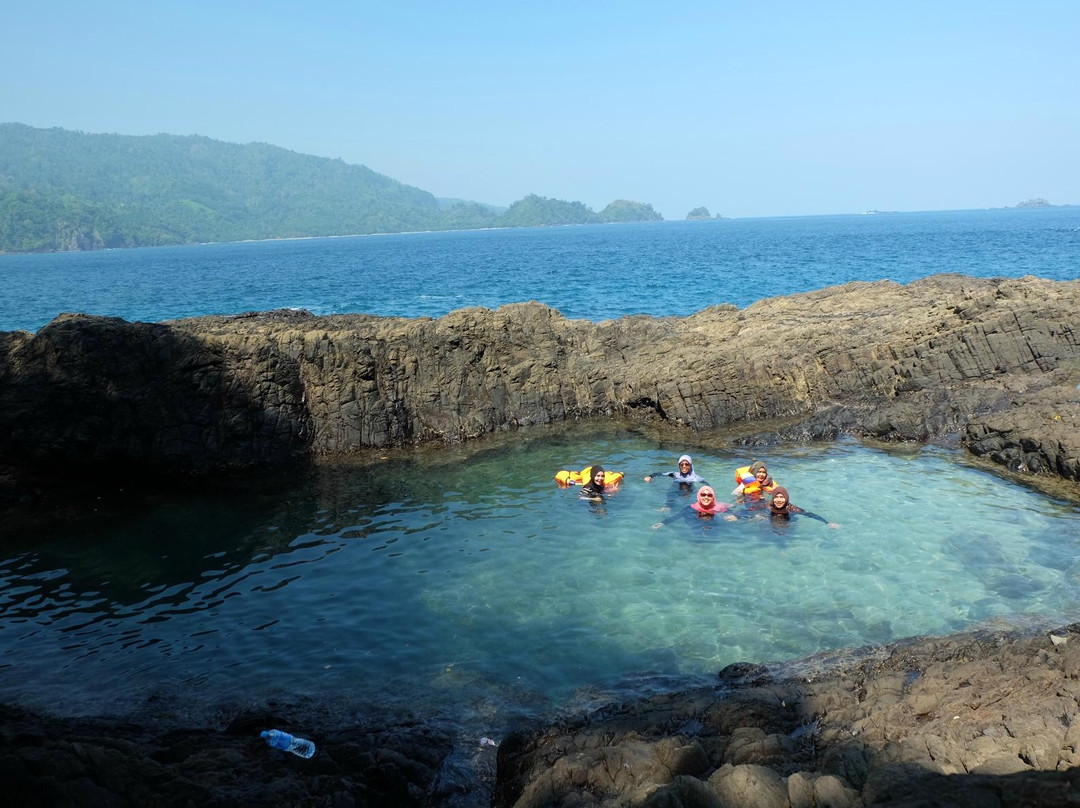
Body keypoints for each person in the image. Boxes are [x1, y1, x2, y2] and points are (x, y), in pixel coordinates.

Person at [653, 485, 737, 527]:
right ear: (699, 496)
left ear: (713, 497)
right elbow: (677, 516)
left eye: (709, 495)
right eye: (703, 494)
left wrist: (735, 516)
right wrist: (662, 523)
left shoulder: (719, 507)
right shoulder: (693, 507)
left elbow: (735, 513)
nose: (706, 497)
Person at [766, 487, 838, 528]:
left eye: (782, 497)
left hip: (787, 522)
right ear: (773, 498)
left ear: (786, 498)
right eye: (776, 497)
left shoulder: (792, 508)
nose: (779, 500)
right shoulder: (769, 506)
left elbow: (810, 514)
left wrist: (827, 523)